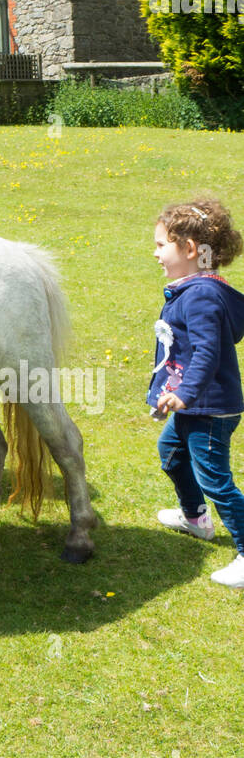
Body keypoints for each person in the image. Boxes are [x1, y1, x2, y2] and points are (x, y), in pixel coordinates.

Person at [148, 196, 244, 588]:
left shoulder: (202, 295)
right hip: (195, 404)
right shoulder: (199, 287)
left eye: (160, 244)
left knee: (216, 480)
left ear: (189, 249)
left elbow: (207, 352)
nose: (154, 252)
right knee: (170, 455)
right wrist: (170, 394)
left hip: (208, 408)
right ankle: (194, 518)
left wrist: (184, 394)